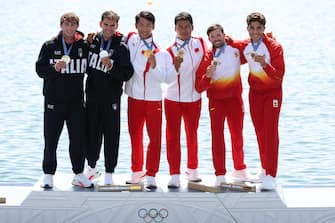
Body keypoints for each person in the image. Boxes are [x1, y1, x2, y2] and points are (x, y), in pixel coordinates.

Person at [35, 12, 93, 188]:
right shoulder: (49, 45)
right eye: (66, 25)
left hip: (76, 102)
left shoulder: (83, 45)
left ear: (77, 27)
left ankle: (78, 173)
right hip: (54, 101)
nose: (69, 28)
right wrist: (54, 68)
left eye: (73, 25)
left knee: (77, 139)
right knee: (51, 138)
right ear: (61, 26)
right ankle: (48, 174)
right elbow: (39, 70)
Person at [230, 12, 285, 190]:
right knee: (260, 131)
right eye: (252, 28)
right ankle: (264, 169)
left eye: (259, 28)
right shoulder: (246, 44)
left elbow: (278, 77)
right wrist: (226, 38)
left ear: (264, 28)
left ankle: (271, 174)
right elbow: (231, 45)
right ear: (247, 29)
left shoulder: (274, 47)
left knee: (270, 132)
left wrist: (264, 64)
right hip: (255, 93)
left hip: (272, 94)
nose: (255, 31)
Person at [124, 11, 175, 189]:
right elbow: (111, 36)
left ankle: (151, 174)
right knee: (135, 137)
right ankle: (137, 172)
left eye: (148, 25)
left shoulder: (160, 51)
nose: (144, 28)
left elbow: (166, 79)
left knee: (154, 138)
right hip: (134, 97)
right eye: (141, 24)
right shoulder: (130, 39)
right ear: (136, 25)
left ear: (153, 26)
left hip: (153, 100)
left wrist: (153, 65)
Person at [195, 24, 250, 186]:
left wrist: (267, 38)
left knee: (237, 134)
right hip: (216, 102)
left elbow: (252, 45)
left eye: (219, 35)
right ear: (209, 39)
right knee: (217, 137)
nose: (216, 38)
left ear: (223, 34)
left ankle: (239, 169)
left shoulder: (235, 49)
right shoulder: (207, 57)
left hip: (234, 100)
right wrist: (207, 76)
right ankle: (220, 174)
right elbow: (198, 87)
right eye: (212, 36)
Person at [84, 11, 134, 185]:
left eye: (112, 25)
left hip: (111, 98)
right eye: (106, 24)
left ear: (117, 26)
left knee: (111, 135)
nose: (108, 28)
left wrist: (111, 67)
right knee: (91, 133)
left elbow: (127, 74)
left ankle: (109, 173)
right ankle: (91, 168)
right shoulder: (92, 41)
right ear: (100, 24)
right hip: (91, 96)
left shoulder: (121, 46)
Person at [165, 12, 207, 188]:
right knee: (173, 137)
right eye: (180, 27)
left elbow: (220, 44)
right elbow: (165, 78)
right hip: (173, 99)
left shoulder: (201, 43)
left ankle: (192, 169)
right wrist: (175, 67)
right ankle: (174, 173)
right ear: (175, 28)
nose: (183, 30)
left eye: (187, 26)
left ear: (192, 27)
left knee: (192, 135)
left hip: (194, 98)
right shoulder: (168, 51)